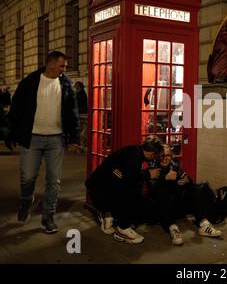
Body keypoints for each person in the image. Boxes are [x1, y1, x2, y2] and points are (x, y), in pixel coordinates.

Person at [7, 51, 80, 233]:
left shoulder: (65, 84)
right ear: (51, 64)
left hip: (56, 139)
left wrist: (74, 139)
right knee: (28, 177)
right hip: (32, 138)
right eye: (62, 66)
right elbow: (16, 109)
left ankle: (48, 216)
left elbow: (73, 113)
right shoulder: (30, 82)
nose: (64, 69)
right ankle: (26, 201)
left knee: (53, 181)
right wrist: (13, 133)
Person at [85, 136, 164, 244]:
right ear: (152, 153)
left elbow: (123, 174)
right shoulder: (134, 154)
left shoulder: (135, 151)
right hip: (100, 190)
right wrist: (148, 174)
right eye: (155, 156)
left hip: (102, 188)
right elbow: (128, 176)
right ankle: (122, 228)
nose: (154, 159)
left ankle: (107, 214)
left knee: (132, 187)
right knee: (132, 189)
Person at [148, 144, 222, 245]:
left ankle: (203, 224)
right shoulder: (153, 168)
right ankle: (173, 228)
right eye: (162, 155)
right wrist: (165, 179)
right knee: (163, 195)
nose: (165, 158)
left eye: (168, 155)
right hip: (162, 209)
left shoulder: (174, 166)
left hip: (177, 206)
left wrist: (187, 181)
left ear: (172, 156)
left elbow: (185, 179)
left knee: (193, 188)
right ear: (157, 156)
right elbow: (153, 190)